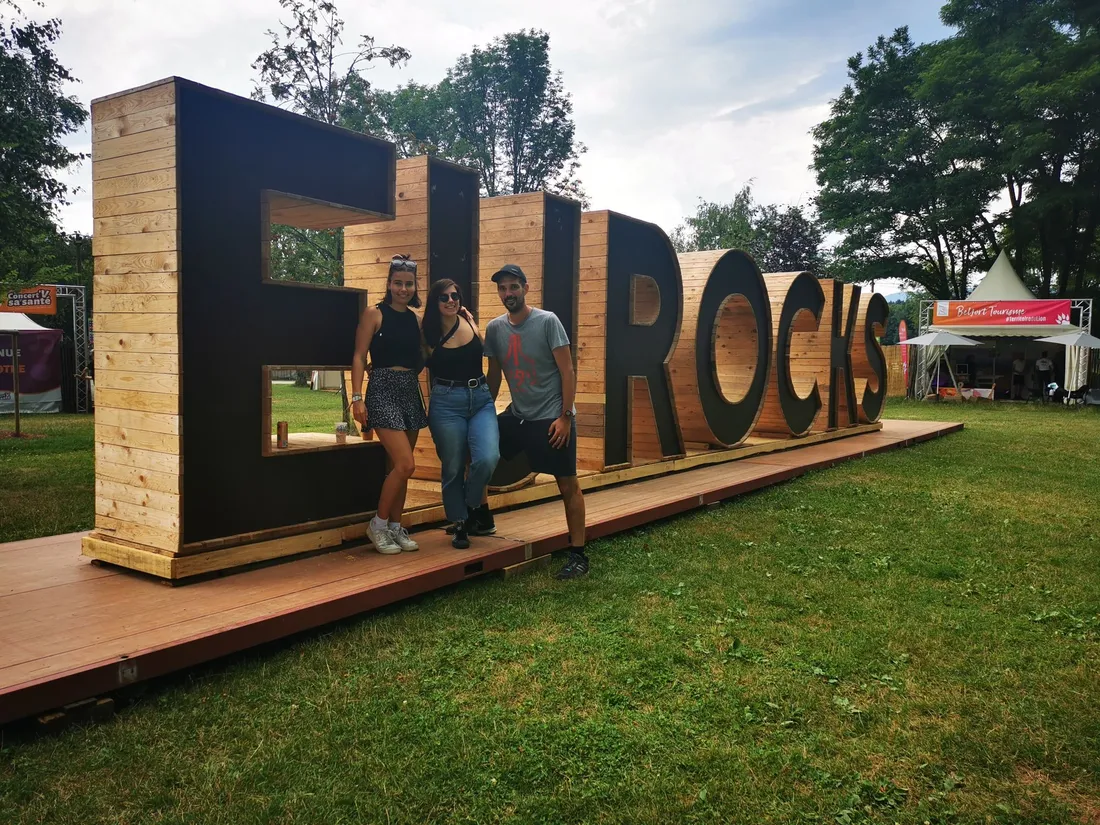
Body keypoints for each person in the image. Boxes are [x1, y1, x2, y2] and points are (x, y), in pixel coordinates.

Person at [484, 264, 588, 580]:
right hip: (518, 416)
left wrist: (566, 417)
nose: (507, 294)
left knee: (567, 484)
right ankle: (477, 517)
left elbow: (568, 371)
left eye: (513, 287)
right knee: (475, 449)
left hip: (552, 418)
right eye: (502, 288)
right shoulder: (495, 329)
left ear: (526, 288)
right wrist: (483, 414)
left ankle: (579, 555)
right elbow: (493, 375)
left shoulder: (547, 322)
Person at [350, 255, 427, 555]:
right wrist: (357, 397)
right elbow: (359, 355)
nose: (403, 289)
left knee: (400, 467)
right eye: (398, 283)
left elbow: (423, 356)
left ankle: (396, 527)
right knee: (406, 463)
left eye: (408, 284)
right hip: (382, 390)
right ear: (389, 284)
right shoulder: (374, 314)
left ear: (414, 286)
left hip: (410, 391)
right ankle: (378, 525)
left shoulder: (417, 320)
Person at [423, 278, 500, 549]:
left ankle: (467, 505)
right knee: (453, 466)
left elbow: (490, 354)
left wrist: (491, 393)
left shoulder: (469, 322)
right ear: (435, 302)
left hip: (480, 399)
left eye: (455, 295)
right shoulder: (428, 334)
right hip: (446, 402)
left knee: (489, 457)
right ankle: (459, 524)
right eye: (444, 297)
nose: (451, 300)